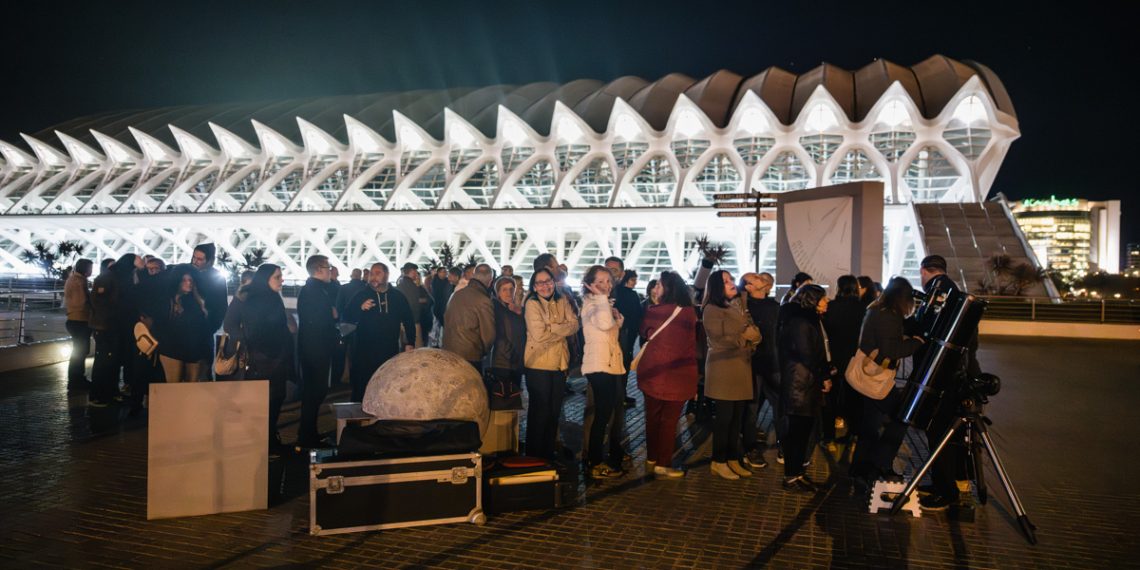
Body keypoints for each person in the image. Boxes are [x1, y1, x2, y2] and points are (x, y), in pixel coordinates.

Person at [915, 255, 980, 511]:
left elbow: (925, 329)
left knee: (939, 432)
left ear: (924, 271)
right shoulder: (957, 294)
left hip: (944, 378)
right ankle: (945, 483)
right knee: (946, 433)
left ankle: (946, 490)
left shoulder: (938, 293)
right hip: (960, 375)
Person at [849, 277, 925, 487]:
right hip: (876, 378)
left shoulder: (877, 309)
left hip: (871, 376)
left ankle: (862, 470)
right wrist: (916, 342)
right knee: (901, 417)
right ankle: (879, 464)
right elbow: (891, 350)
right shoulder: (887, 315)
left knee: (870, 426)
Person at [636, 271, 697, 478]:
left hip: (652, 373)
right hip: (677, 375)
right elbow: (690, 345)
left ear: (668, 289)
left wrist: (655, 305)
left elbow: (645, 333)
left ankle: (651, 459)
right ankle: (663, 463)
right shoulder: (688, 313)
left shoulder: (653, 310)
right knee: (669, 421)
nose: (655, 289)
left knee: (652, 417)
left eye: (659, 285)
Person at [228, 264, 295, 455]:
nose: (282, 280)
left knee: (276, 398)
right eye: (277, 277)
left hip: (277, 358)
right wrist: (249, 342)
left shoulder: (273, 297)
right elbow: (230, 324)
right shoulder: (246, 297)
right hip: (260, 359)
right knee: (263, 401)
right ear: (265, 278)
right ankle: (262, 443)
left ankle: (270, 439)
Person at [703, 269, 761, 480]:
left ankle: (732, 458)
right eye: (725, 281)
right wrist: (745, 338)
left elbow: (754, 330)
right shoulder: (711, 309)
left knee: (737, 418)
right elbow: (719, 339)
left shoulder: (739, 305)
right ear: (717, 287)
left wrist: (753, 338)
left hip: (741, 366)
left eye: (730, 279)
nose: (731, 283)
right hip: (723, 368)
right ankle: (718, 461)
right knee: (724, 418)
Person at [778, 284, 833, 492]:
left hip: (806, 381)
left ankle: (797, 473)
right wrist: (824, 375)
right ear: (812, 300)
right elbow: (807, 353)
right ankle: (792, 476)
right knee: (797, 432)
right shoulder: (801, 321)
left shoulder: (810, 319)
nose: (827, 301)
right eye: (823, 298)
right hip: (799, 383)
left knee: (803, 431)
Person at [522, 267, 579, 460]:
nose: (545, 286)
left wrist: (552, 328)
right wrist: (561, 329)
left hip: (559, 364)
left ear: (553, 282)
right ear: (534, 286)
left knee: (554, 412)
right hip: (538, 364)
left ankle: (547, 455)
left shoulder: (562, 300)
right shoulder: (532, 304)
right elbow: (539, 335)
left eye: (548, 281)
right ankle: (534, 457)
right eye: (540, 283)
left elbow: (575, 325)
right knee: (540, 412)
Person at [342, 263, 416, 401]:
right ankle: (358, 414)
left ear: (386, 275)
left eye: (377, 273)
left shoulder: (398, 297)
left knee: (386, 386)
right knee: (361, 388)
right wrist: (360, 308)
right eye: (371, 274)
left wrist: (410, 342)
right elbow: (346, 318)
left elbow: (408, 320)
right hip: (364, 353)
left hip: (389, 351)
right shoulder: (360, 295)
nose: (373, 277)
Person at [580, 265, 627, 479]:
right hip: (599, 366)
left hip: (608, 364)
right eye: (600, 281)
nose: (605, 285)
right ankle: (594, 462)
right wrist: (602, 301)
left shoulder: (602, 303)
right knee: (602, 415)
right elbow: (605, 324)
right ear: (590, 284)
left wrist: (618, 320)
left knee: (605, 413)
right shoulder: (592, 304)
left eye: (608, 281)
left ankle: (596, 459)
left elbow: (608, 331)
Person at [88, 254, 143, 407]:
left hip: (118, 327)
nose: (140, 265)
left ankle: (111, 392)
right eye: (137, 263)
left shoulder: (123, 277)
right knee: (104, 361)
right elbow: (99, 302)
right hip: (106, 327)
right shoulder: (108, 277)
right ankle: (97, 395)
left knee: (114, 361)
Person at [297, 255, 339, 448]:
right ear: (319, 269)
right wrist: (333, 318)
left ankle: (309, 433)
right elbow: (319, 321)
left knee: (314, 393)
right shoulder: (315, 291)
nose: (330, 271)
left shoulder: (312, 289)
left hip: (312, 348)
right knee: (315, 392)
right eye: (328, 267)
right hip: (316, 349)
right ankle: (307, 436)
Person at [740, 272, 779, 469]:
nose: (760, 277)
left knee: (781, 406)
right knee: (752, 408)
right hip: (753, 364)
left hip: (774, 363)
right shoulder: (743, 308)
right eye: (755, 277)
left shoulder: (774, 306)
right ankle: (750, 447)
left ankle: (783, 445)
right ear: (748, 287)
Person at [822, 275, 865, 445]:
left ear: (839, 287)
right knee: (854, 398)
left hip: (833, 357)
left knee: (830, 398)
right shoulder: (863, 308)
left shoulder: (831, 307)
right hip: (854, 359)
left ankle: (828, 435)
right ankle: (853, 433)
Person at [152, 266, 212, 382]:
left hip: (193, 351)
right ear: (177, 281)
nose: (188, 283)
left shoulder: (194, 301)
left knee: (191, 387)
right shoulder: (166, 301)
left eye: (190, 280)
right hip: (172, 350)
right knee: (175, 385)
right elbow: (159, 326)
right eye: (184, 280)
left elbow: (202, 327)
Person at [443, 263, 496, 371]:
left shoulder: (456, 294)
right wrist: (483, 352)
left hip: (449, 351)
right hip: (470, 355)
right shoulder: (483, 301)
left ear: (474, 276)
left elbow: (446, 319)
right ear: (490, 281)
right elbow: (489, 335)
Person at [190, 243, 228, 379]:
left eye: (200, 259)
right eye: (194, 257)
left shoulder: (216, 278)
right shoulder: (187, 272)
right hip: (185, 332)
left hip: (203, 331)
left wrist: (210, 327)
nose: (195, 261)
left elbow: (221, 307)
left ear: (210, 261)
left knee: (202, 370)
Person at [488, 276, 526, 409]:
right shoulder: (496, 308)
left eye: (511, 289)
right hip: (504, 362)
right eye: (504, 290)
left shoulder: (512, 308)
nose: (508, 293)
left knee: (513, 399)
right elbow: (499, 336)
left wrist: (519, 312)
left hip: (515, 361)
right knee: (505, 400)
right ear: (498, 292)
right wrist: (512, 355)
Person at [64, 259, 94, 391]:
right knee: (80, 352)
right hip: (79, 320)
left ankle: (77, 379)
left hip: (75, 320)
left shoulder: (74, 279)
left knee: (79, 351)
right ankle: (76, 381)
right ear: (85, 269)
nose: (91, 271)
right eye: (90, 268)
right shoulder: (78, 281)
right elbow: (80, 302)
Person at [397, 263, 432, 348]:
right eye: (415, 272)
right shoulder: (413, 286)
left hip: (401, 322)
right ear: (412, 271)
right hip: (413, 322)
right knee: (416, 348)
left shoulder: (399, 285)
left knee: (403, 347)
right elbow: (414, 306)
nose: (416, 274)